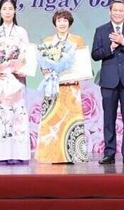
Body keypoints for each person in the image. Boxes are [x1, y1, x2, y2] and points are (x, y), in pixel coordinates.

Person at [91, 0, 124, 165]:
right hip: (108, 80)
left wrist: (123, 42)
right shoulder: (101, 30)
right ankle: (109, 152)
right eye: (115, 10)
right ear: (110, 12)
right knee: (109, 118)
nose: (118, 13)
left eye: (121, 10)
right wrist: (111, 48)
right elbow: (95, 54)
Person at [35, 9, 89, 163]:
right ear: (55, 23)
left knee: (71, 120)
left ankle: (73, 154)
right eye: (59, 20)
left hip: (71, 87)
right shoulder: (48, 41)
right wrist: (45, 70)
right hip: (53, 86)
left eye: (65, 20)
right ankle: (52, 155)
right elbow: (42, 63)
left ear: (69, 22)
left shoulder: (77, 40)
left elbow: (82, 62)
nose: (62, 23)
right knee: (53, 120)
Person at [0, 0, 30, 165]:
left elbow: (27, 55)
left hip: (16, 79)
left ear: (15, 11)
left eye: (10, 8)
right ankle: (0, 154)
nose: (7, 12)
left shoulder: (21, 32)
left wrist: (21, 70)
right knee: (0, 116)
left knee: (17, 115)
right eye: (4, 8)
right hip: (1, 80)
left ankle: (18, 154)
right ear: (0, 11)